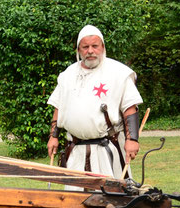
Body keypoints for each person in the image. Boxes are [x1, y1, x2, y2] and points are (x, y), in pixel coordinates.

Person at [47, 25, 142, 190]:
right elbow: (58, 107)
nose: (90, 51)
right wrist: (53, 136)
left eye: (95, 46)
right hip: (75, 150)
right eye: (85, 47)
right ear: (78, 50)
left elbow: (130, 108)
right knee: (75, 201)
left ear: (103, 47)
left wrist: (132, 140)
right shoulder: (67, 75)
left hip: (106, 149)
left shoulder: (118, 73)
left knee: (111, 198)